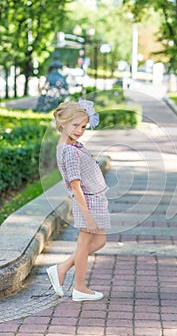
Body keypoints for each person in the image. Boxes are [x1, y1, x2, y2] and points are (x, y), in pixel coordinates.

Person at [46, 99, 111, 302]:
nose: (80, 130)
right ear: (63, 123)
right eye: (75, 125)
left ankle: (62, 268)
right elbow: (75, 186)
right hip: (88, 202)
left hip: (96, 200)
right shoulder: (70, 152)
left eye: (83, 126)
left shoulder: (71, 145)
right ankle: (80, 288)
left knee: (99, 241)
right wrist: (87, 216)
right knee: (84, 245)